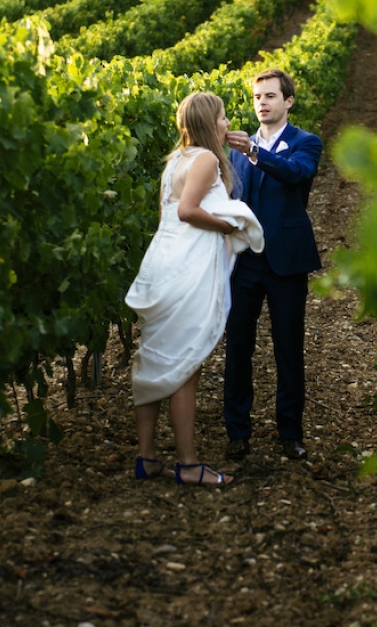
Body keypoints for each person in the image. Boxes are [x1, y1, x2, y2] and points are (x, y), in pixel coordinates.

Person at [125, 92, 264, 487]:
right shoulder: (204, 159)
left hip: (164, 260)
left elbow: (170, 216)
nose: (226, 124)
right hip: (186, 269)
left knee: (155, 361)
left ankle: (147, 457)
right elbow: (188, 211)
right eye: (222, 118)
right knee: (186, 365)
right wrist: (230, 226)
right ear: (207, 122)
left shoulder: (176, 161)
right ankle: (188, 464)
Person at [222, 68, 322, 462]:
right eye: (257, 97)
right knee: (238, 347)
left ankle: (290, 432)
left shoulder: (306, 142)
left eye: (270, 96)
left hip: (286, 260)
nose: (262, 102)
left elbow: (297, 173)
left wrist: (254, 153)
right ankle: (237, 432)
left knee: (288, 348)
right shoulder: (236, 148)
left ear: (288, 101)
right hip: (245, 260)